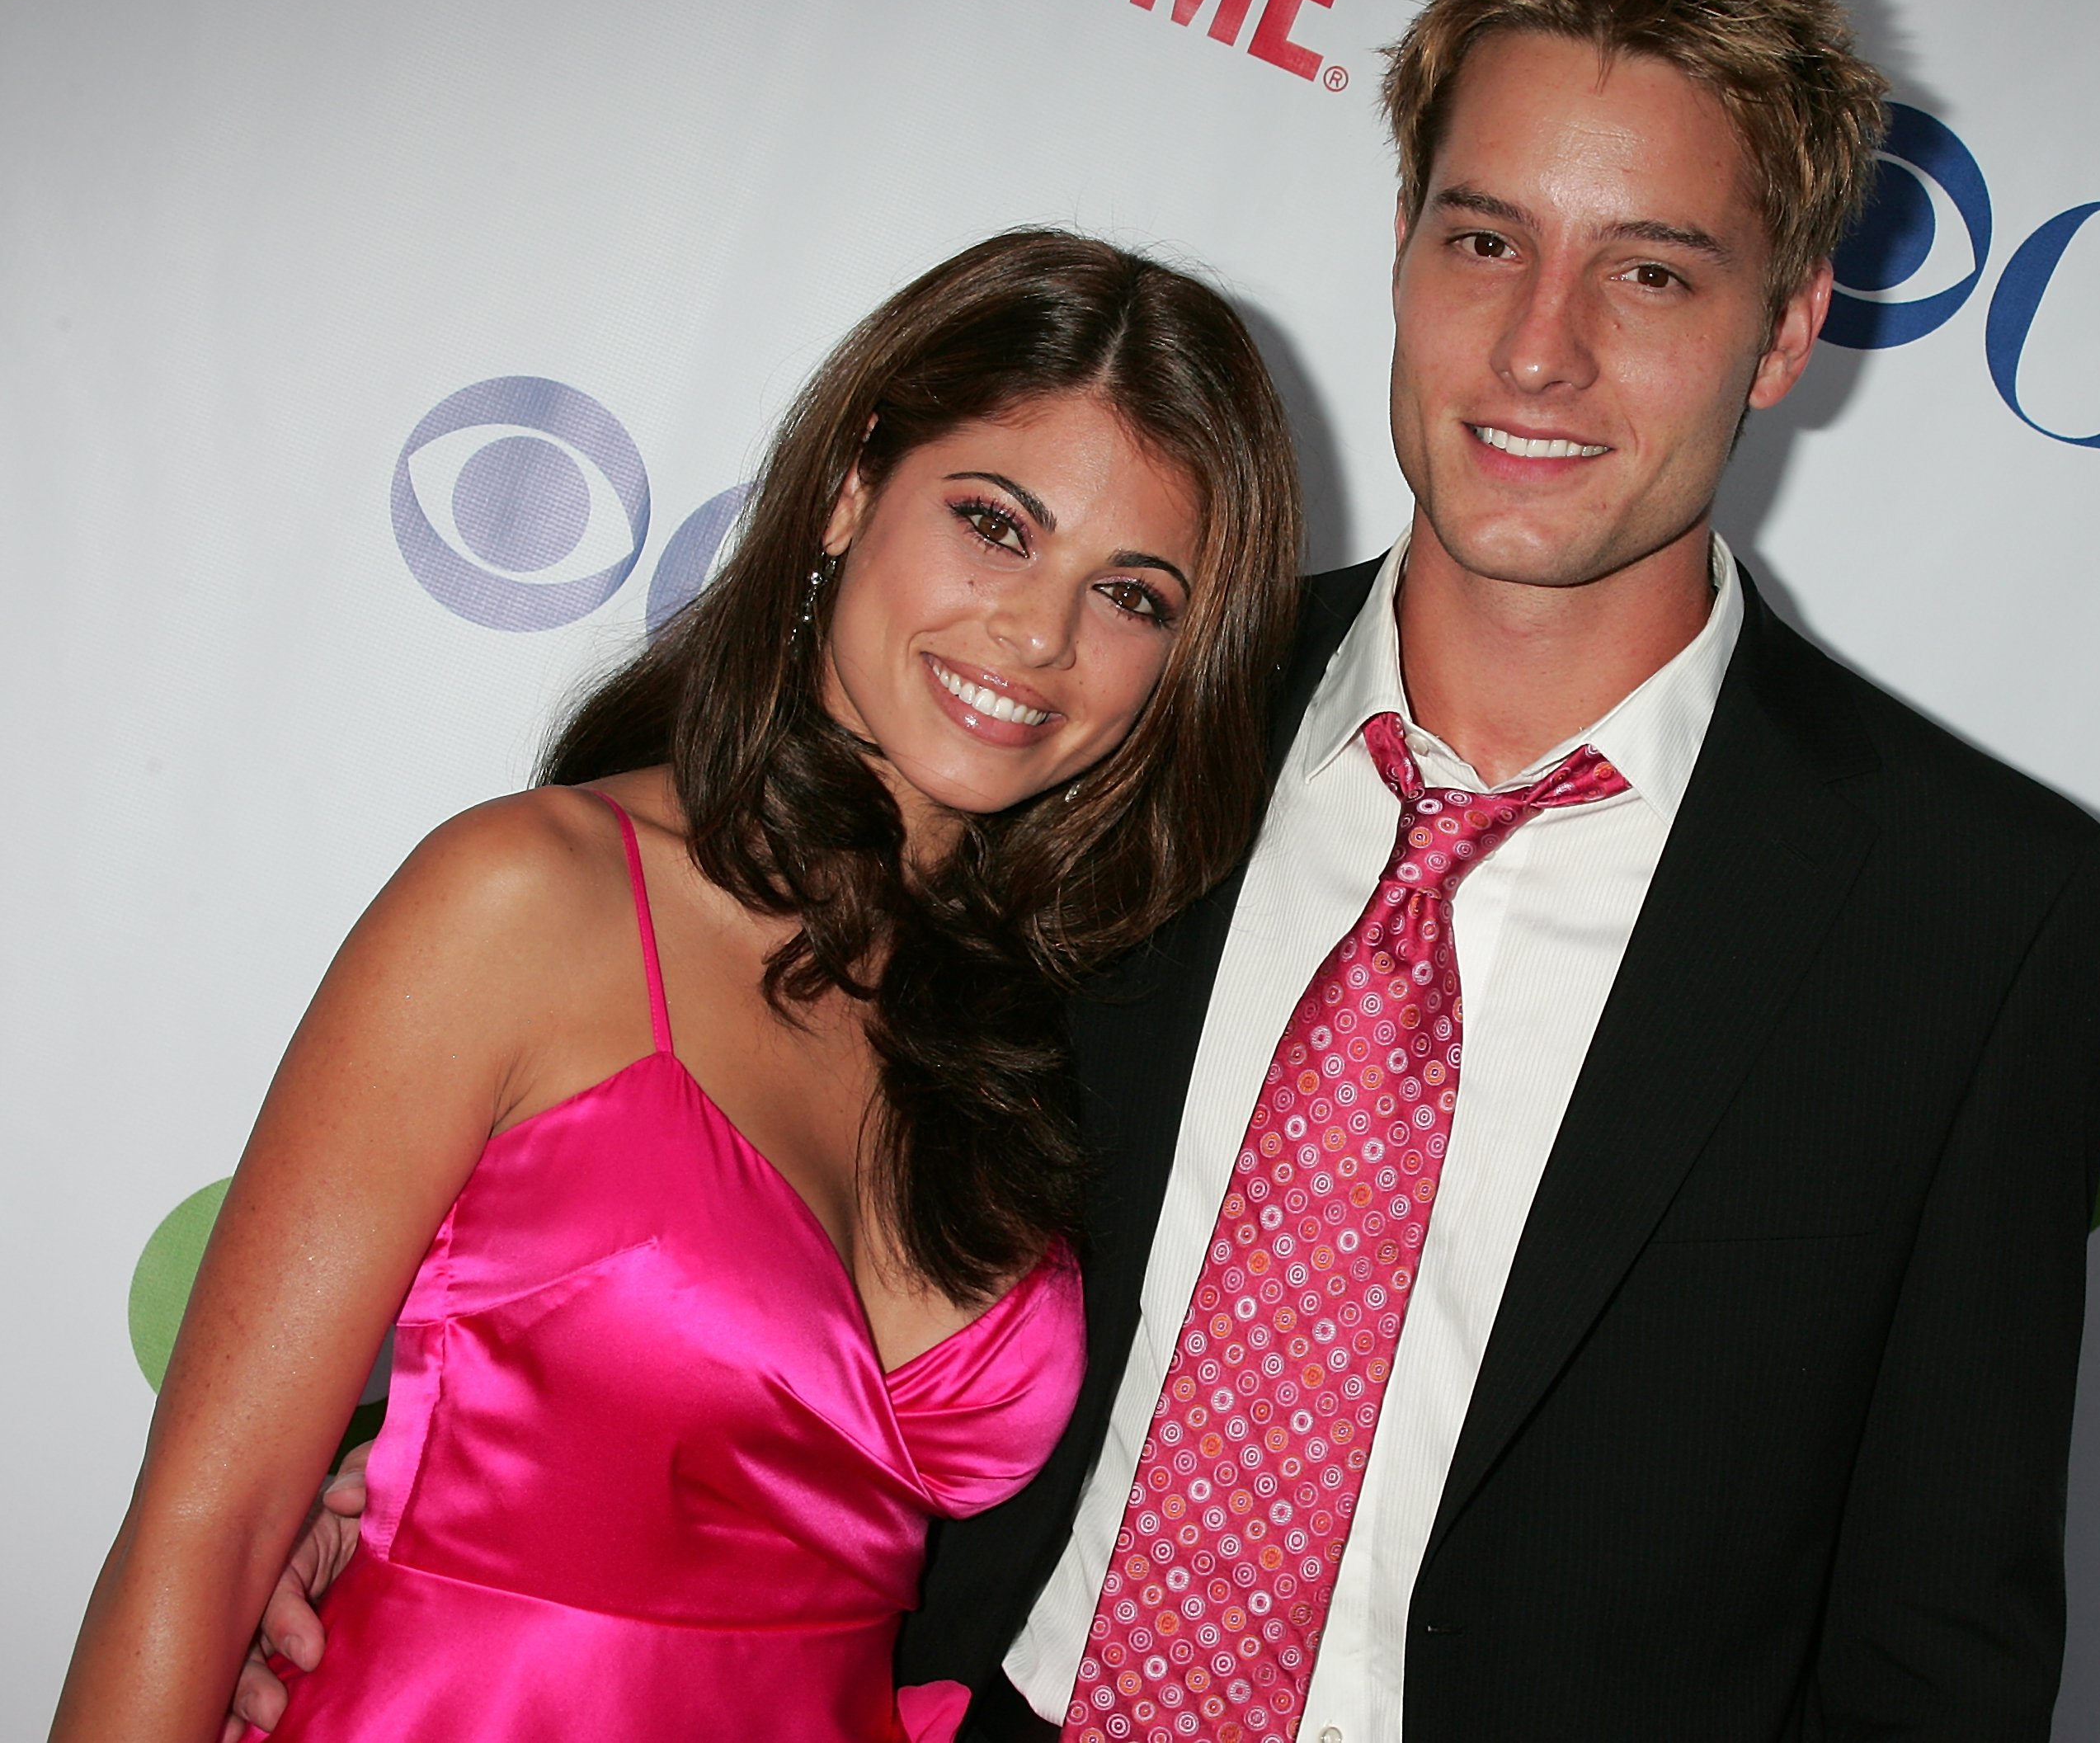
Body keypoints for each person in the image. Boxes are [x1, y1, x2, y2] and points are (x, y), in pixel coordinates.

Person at [233, 0, 2100, 1743]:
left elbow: (1938, 1650)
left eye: (1648, 270)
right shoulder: (1115, 727)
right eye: (1483, 241)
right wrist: (393, 1492)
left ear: (1785, 329)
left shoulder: (1963, 913)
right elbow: (736, 1201)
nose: (1540, 348)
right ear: (1400, 244)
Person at [49, 228, 1305, 1743]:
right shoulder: (533, 897)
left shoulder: (1050, 1023)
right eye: (995, 523)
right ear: (851, 485)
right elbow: (205, 1538)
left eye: (1136, 597)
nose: (1039, 634)